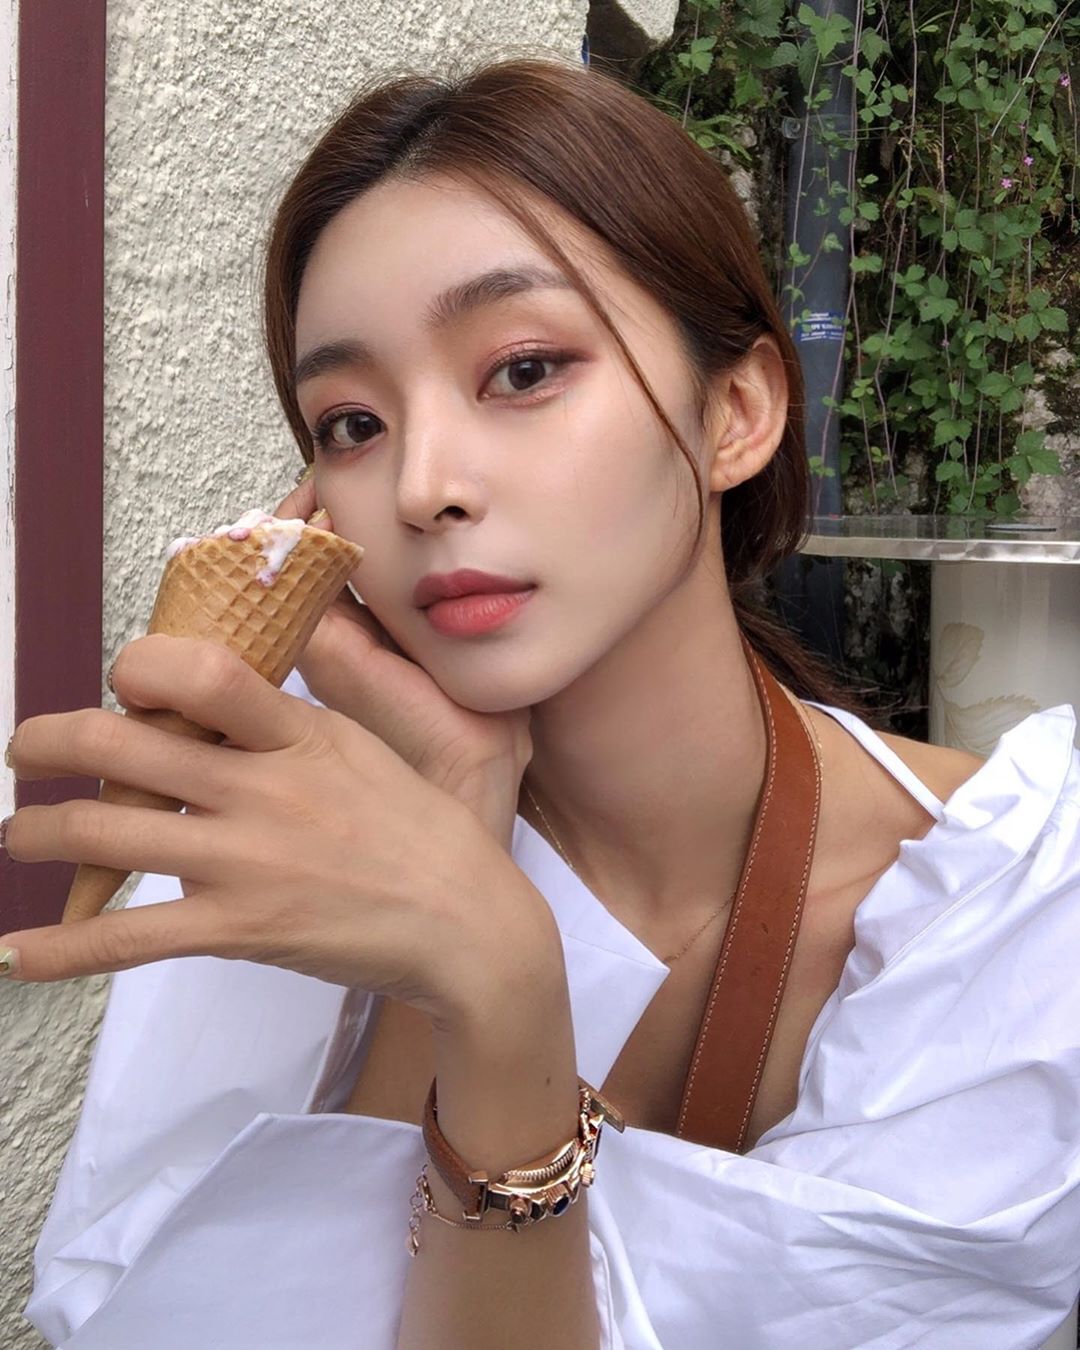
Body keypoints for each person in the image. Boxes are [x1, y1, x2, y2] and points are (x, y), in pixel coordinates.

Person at [7, 54, 1080, 1350]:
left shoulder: (1020, 897)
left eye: (521, 370)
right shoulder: (285, 844)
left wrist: (507, 998)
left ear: (737, 410)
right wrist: (453, 879)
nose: (423, 484)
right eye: (351, 423)